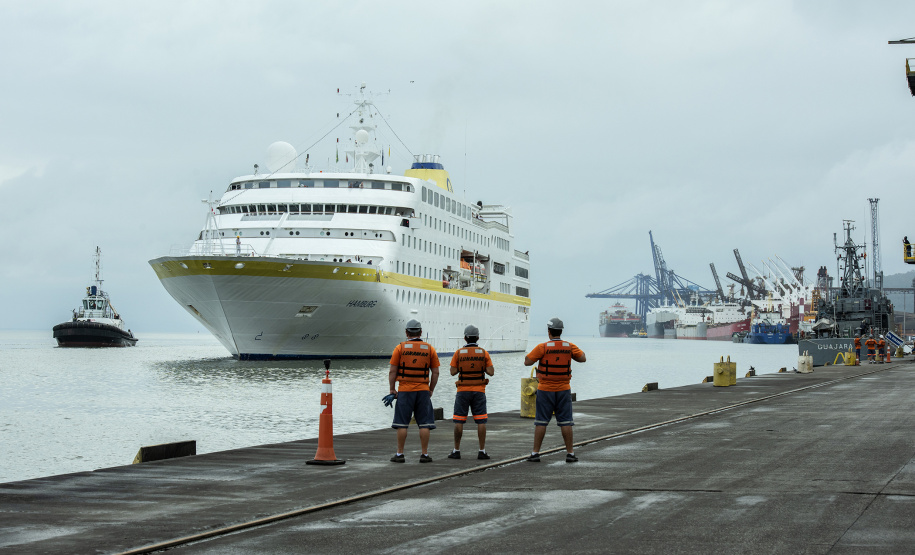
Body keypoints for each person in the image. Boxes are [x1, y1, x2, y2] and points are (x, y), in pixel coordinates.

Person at [523, 318, 586, 463]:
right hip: (564, 390)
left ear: (549, 331)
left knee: (541, 422)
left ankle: (535, 453)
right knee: (566, 422)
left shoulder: (542, 347)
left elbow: (527, 361)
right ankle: (570, 453)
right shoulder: (569, 346)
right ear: (561, 331)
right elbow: (583, 358)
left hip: (545, 390)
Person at [388, 320, 439, 463]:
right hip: (423, 390)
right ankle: (424, 454)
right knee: (424, 424)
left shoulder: (400, 348)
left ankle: (399, 454)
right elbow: (435, 373)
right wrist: (431, 389)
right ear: (421, 332)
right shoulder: (429, 349)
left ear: (406, 333)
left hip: (404, 390)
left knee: (402, 424)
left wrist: (392, 389)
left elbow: (393, 371)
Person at [448, 325, 495, 460]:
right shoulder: (483, 353)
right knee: (481, 421)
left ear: (465, 338)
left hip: (462, 391)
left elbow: (452, 372)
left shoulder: (458, 353)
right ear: (478, 337)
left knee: (459, 421)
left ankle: (456, 450)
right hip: (479, 391)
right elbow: (491, 372)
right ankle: (482, 451)